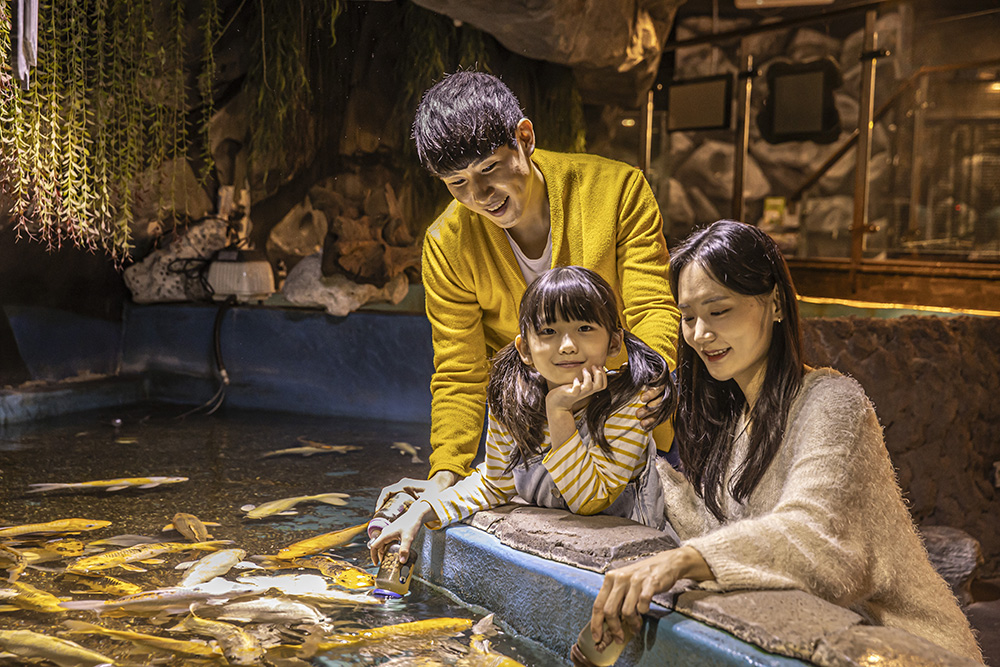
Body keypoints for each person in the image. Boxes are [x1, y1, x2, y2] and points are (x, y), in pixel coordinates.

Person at [580, 220, 983, 663]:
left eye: (719, 311)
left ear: (773, 303)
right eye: (688, 316)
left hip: (904, 649)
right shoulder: (733, 417)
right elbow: (721, 531)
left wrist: (676, 563)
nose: (698, 334)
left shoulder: (833, 402)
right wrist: (617, 456)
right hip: (812, 641)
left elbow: (813, 538)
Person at [376, 71, 681, 508]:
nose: (480, 194)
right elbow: (461, 372)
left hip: (629, 422)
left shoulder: (617, 191)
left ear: (524, 137)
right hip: (536, 440)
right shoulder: (447, 244)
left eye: (489, 170)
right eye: (457, 183)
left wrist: (637, 403)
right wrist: (446, 475)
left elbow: (653, 309)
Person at [370, 266, 677, 567]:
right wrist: (422, 510)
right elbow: (494, 484)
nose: (568, 345)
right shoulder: (514, 403)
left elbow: (589, 501)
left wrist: (559, 411)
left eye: (584, 328)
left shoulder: (631, 403)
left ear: (613, 342)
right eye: (548, 332)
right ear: (525, 349)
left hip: (628, 560)